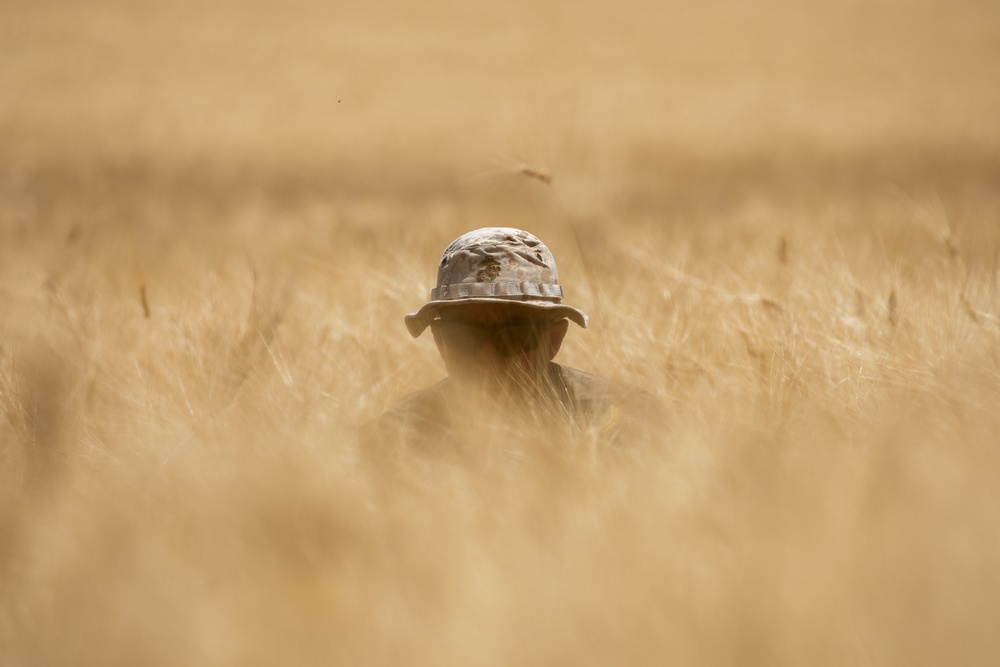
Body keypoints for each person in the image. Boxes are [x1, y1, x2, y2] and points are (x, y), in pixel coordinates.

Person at [362, 227, 664, 462]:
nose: (489, 359)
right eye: (465, 337)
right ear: (440, 342)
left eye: (515, 336)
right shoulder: (394, 438)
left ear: (554, 340)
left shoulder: (622, 421)